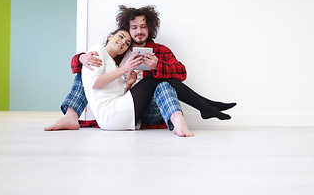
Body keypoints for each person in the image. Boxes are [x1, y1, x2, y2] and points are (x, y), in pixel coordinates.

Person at [44, 5, 236, 135]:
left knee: (161, 81)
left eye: (143, 27)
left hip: (153, 109)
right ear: (125, 30)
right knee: (85, 68)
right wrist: (81, 58)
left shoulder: (160, 50)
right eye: (133, 27)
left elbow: (181, 72)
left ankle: (182, 119)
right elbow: (84, 71)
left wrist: (157, 66)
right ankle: (71, 116)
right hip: (122, 108)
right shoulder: (118, 51)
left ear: (149, 28)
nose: (138, 32)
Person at [81, 29, 232, 134]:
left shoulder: (114, 63)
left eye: (127, 43)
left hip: (117, 114)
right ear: (110, 37)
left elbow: (113, 93)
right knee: (155, 77)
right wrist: (125, 69)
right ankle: (206, 106)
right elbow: (93, 83)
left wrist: (128, 84)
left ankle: (206, 107)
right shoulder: (97, 50)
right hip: (111, 116)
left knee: (160, 78)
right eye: (120, 37)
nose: (123, 43)